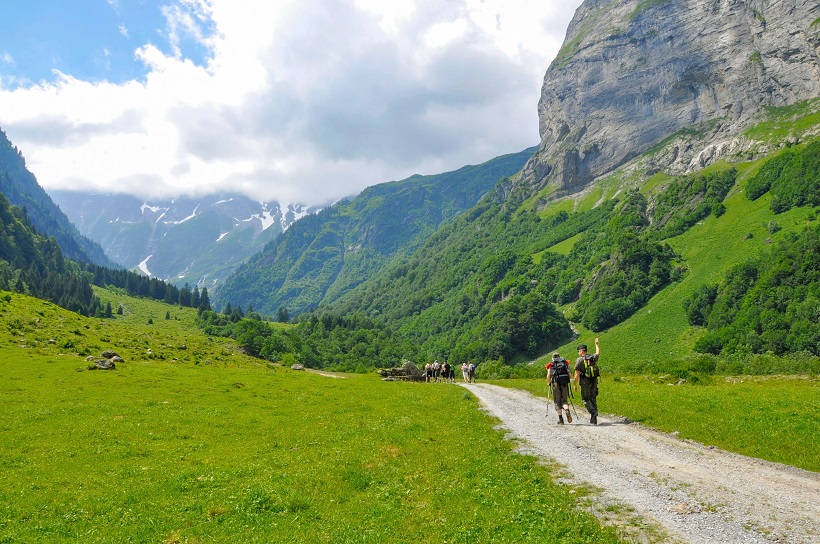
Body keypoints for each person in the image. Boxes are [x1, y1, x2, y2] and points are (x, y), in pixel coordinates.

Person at [573, 338, 600, 424]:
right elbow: (598, 353)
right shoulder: (592, 357)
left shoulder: (579, 360)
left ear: (581, 351)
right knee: (593, 399)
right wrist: (596, 344)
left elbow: (576, 374)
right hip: (594, 381)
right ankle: (594, 419)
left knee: (585, 399)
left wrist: (575, 384)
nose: (578, 353)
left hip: (585, 382)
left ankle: (593, 412)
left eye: (578, 351)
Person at [546, 352, 573, 424]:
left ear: (553, 358)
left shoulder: (551, 365)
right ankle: (567, 409)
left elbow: (548, 376)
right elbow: (570, 375)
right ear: (559, 357)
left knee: (557, 402)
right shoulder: (565, 363)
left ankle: (561, 419)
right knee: (564, 400)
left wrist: (548, 383)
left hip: (556, 384)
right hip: (564, 384)